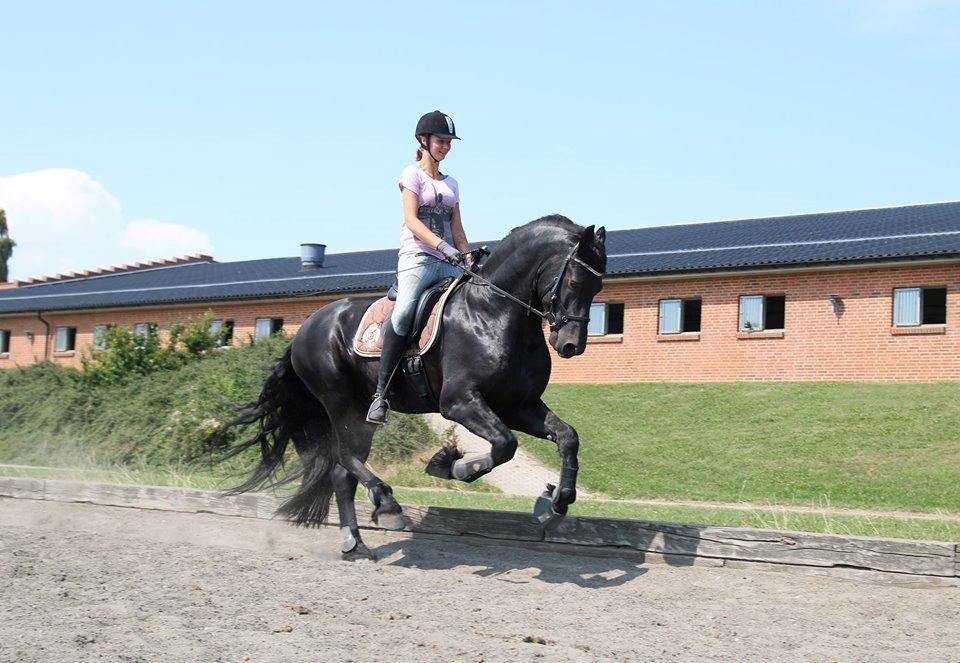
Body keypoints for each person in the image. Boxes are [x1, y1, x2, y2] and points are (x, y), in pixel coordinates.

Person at [366, 110, 471, 424]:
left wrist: (467, 257)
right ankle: (380, 394)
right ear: (424, 141)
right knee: (403, 313)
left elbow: (459, 229)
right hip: (418, 259)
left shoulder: (452, 184)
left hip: (449, 261)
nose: (445, 147)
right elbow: (411, 221)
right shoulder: (411, 174)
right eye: (441, 141)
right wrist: (441, 246)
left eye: (449, 142)